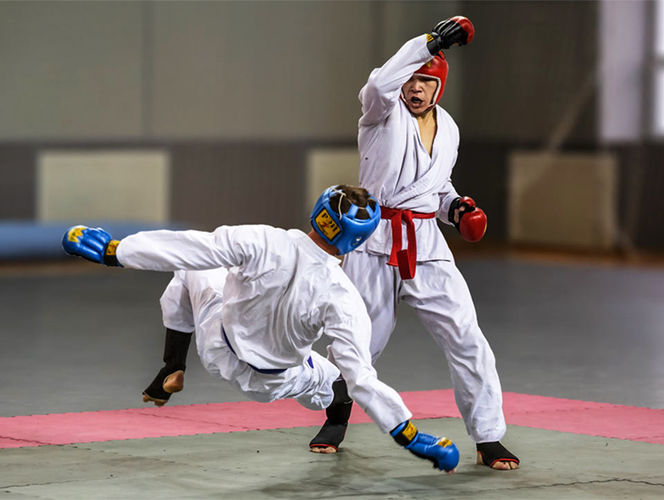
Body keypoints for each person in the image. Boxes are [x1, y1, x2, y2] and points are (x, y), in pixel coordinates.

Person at [62, 185, 460, 473]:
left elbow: (193, 247)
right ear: (357, 241)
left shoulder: (264, 240)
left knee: (189, 269)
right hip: (279, 380)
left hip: (217, 346)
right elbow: (363, 379)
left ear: (319, 213)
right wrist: (411, 436)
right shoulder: (344, 299)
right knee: (337, 378)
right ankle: (335, 422)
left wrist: (115, 251)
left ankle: (172, 365)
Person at [308, 18, 520, 471]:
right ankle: (336, 417)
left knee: (467, 337)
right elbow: (378, 83)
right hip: (373, 239)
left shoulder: (450, 130)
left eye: (426, 81)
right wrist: (430, 43)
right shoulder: (380, 112)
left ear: (439, 87)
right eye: (411, 79)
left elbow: (437, 188)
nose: (416, 88)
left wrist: (457, 209)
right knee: (358, 341)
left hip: (426, 244)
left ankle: (488, 436)